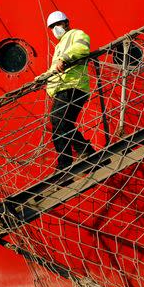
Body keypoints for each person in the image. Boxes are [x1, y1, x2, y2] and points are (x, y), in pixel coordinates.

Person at [42, 10, 95, 172]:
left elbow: (82, 47)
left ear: (66, 22)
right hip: (62, 89)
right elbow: (54, 69)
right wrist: (43, 79)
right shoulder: (59, 46)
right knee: (60, 124)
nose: (55, 29)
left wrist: (64, 58)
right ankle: (82, 153)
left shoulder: (76, 34)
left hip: (74, 86)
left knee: (58, 120)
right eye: (52, 26)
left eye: (58, 24)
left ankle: (67, 162)